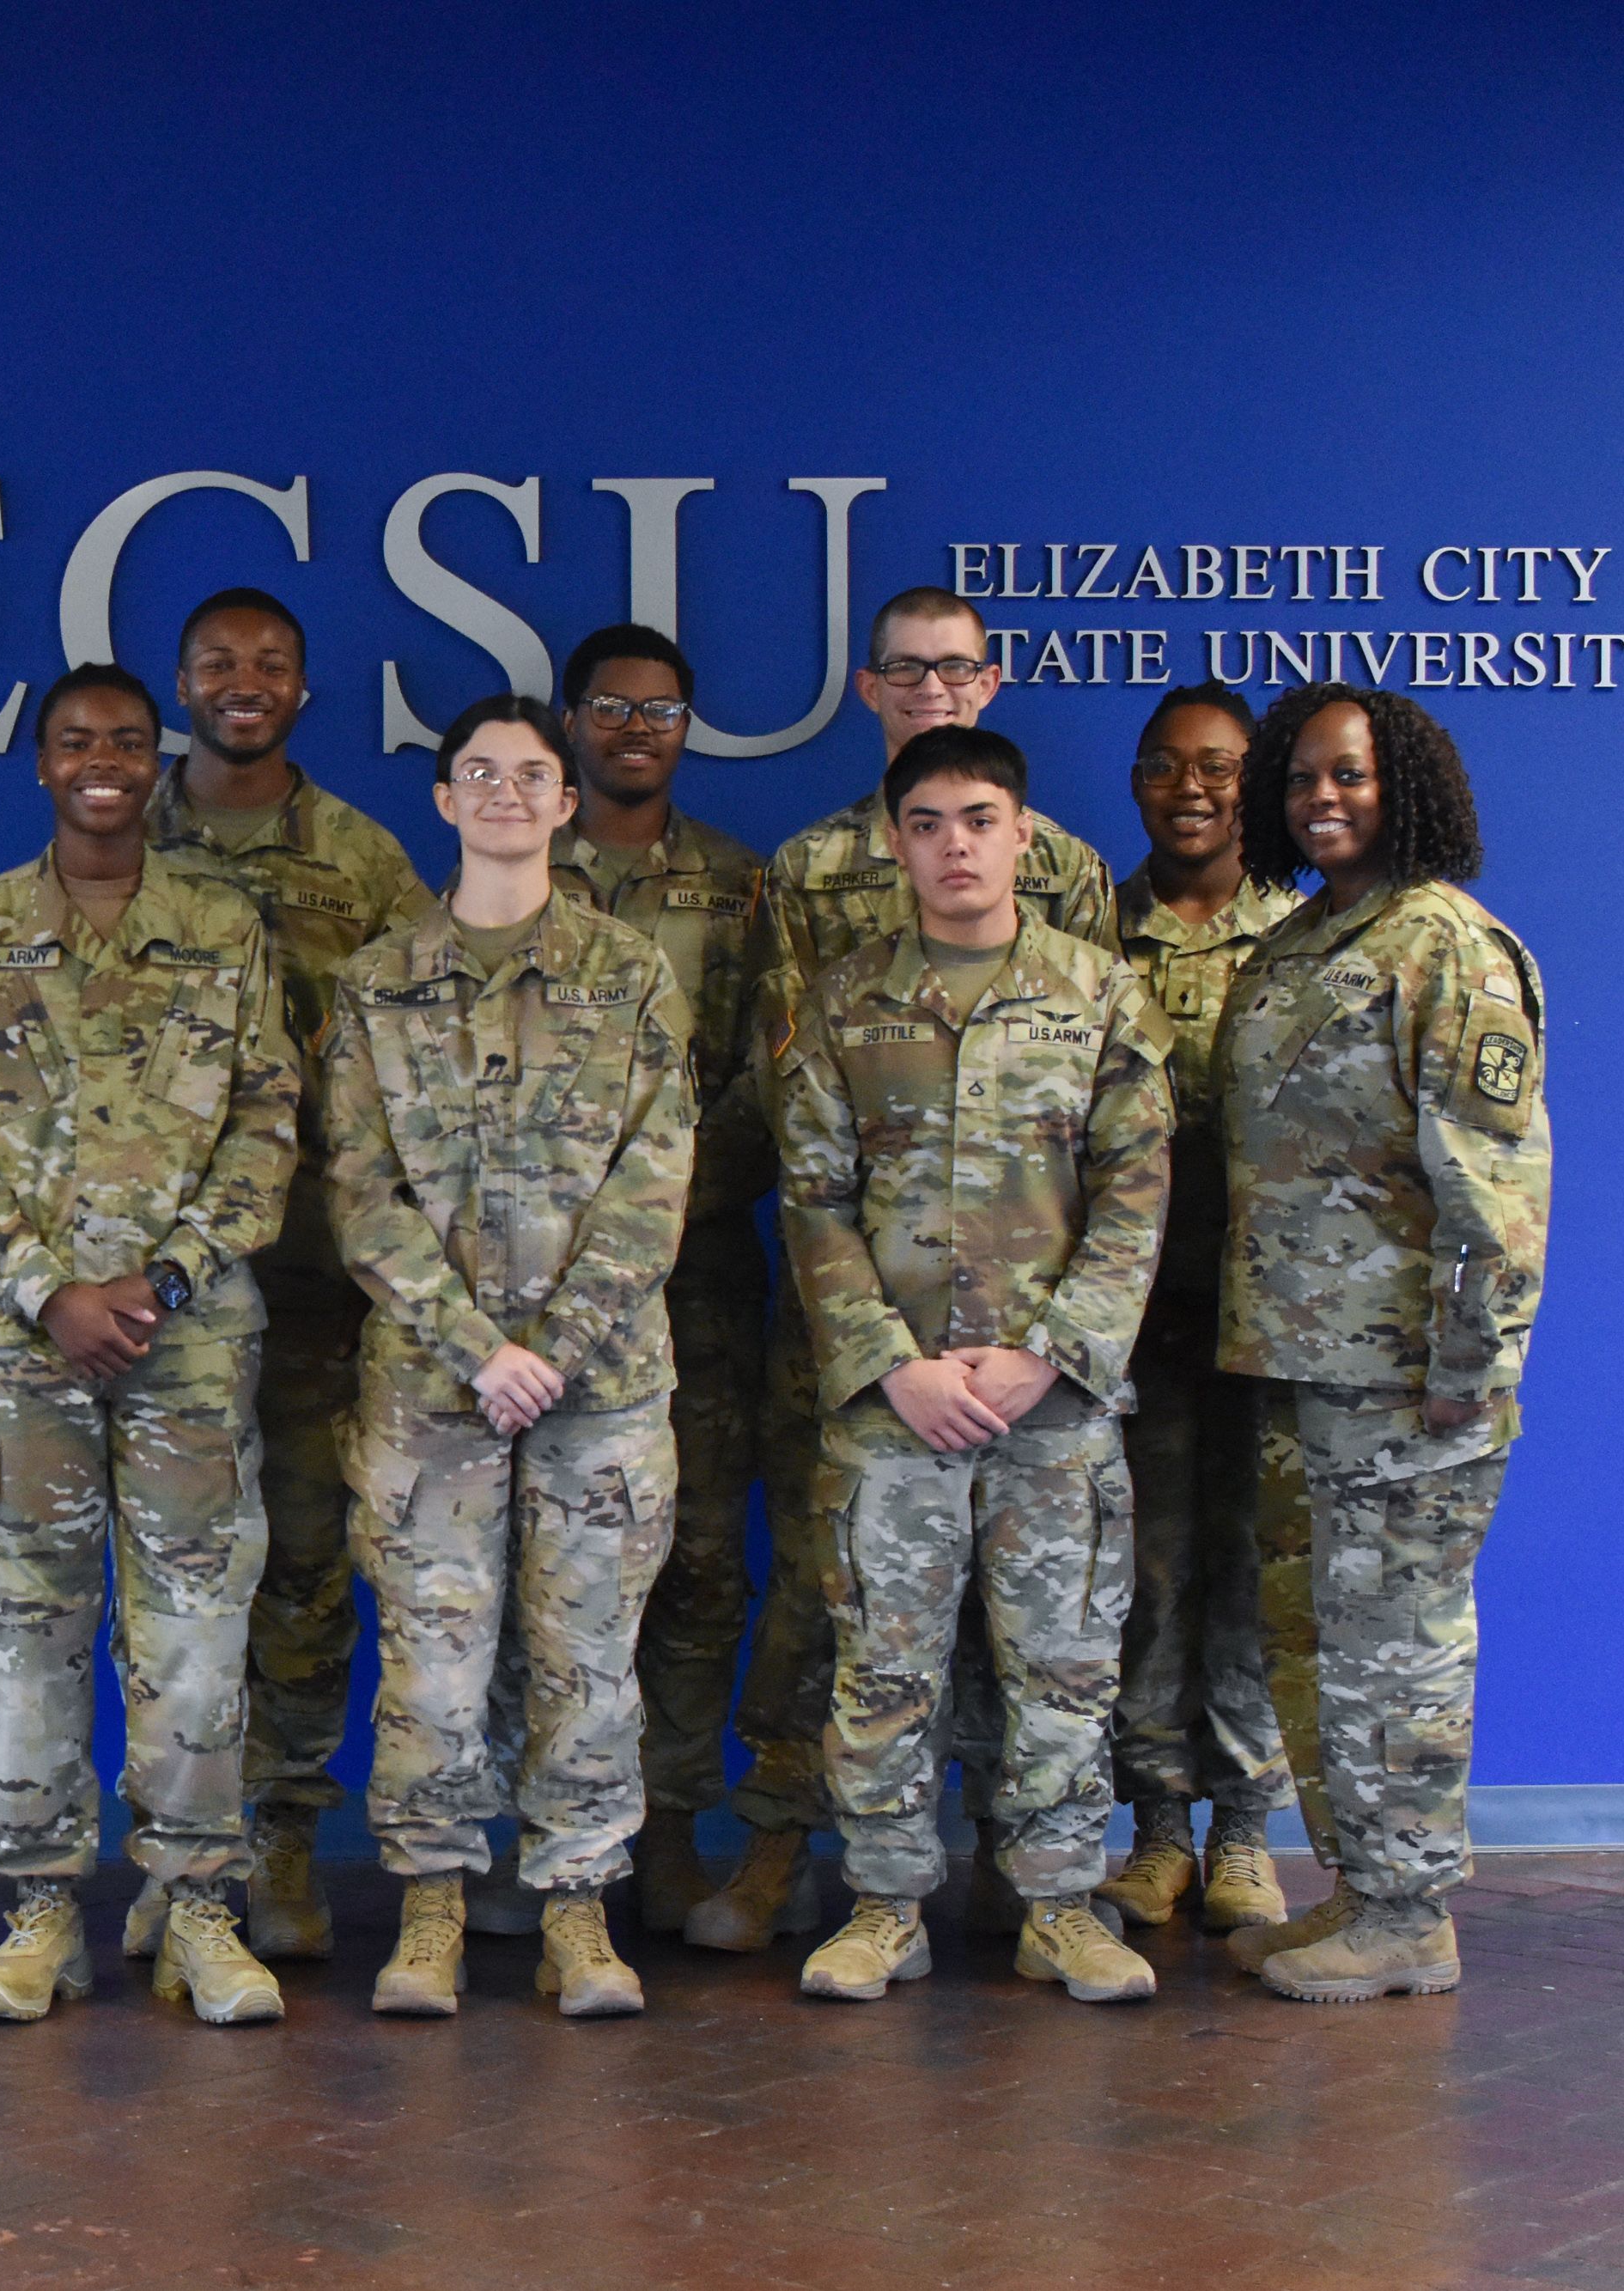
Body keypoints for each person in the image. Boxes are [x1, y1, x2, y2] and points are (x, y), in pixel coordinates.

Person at [704, 586, 1122, 1954]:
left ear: (991, 685)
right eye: (907, 671)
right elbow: (795, 1123)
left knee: (1044, 1633)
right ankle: (804, 1849)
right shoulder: (813, 871)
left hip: (1036, 1339)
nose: (934, 690)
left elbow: (1102, 1134)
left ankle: (1031, 1876)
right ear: (870, 689)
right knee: (850, 1610)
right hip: (868, 1334)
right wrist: (885, 1352)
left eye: (957, 671)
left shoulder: (1069, 886)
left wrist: (1050, 1344)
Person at [0, 662, 301, 2025]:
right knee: (28, 1630)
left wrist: (168, 1279)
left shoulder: (224, 924)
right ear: (41, 764)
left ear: (159, 761)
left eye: (129, 742)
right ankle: (38, 1914)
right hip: (20, 1353)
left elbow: (267, 1122)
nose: (104, 763)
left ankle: (195, 1908)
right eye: (76, 742)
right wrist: (46, 1292)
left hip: (184, 1346)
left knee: (194, 1630)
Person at [777, 727, 1169, 2008]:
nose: (956, 844)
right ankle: (887, 1903)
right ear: (895, 840)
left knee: (1060, 1663)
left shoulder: (1100, 995)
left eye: (981, 818)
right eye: (930, 821)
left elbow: (1135, 1194)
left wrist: (1052, 1355)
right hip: (896, 1411)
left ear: (1026, 836)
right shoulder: (844, 1002)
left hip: (1051, 1411)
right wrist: (889, 1364)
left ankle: (1058, 1902)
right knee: (885, 1666)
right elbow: (814, 1200)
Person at [320, 695, 696, 2018]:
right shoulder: (375, 981)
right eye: (477, 772)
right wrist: (479, 1347)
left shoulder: (631, 973)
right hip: (432, 1391)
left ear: (564, 801)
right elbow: (360, 1194)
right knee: (433, 1661)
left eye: (530, 774)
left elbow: (656, 1184)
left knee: (590, 1657)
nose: (503, 793)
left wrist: (555, 1344)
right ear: (441, 798)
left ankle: (579, 1910)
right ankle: (430, 1902)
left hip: (599, 1389)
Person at [1215, 685, 1548, 2004]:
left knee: (1402, 1639)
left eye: (1348, 774)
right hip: (1305, 1367)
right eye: (1300, 779)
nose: (1322, 799)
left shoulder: (1448, 948)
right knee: (1329, 1640)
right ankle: (1362, 1887)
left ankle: (1413, 1912)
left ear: (1405, 781)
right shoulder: (1303, 940)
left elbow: (1498, 1197)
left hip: (1412, 1381)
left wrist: (1470, 1373)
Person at [145, 588, 435, 1963]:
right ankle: (177, 1843)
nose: (243, 683)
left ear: (305, 691)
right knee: (175, 1579)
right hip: (159, 1295)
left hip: (320, 1279)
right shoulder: (119, 834)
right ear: (180, 684)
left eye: (271, 663)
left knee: (308, 1570)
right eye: (218, 664)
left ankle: (284, 1846)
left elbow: (424, 1055)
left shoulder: (366, 860)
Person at [539, 625, 772, 1938]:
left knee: (692, 1564)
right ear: (572, 722)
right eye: (614, 707)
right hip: (539, 1290)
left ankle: (672, 1825)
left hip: (697, 1276)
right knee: (555, 1563)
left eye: (664, 707)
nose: (638, 728)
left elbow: (767, 1074)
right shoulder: (516, 874)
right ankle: (554, 1835)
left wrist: (661, 1207)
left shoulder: (739, 885)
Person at [1091, 685, 1300, 1935]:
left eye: (1218, 766)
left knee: (1258, 1568)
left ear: (1255, 780)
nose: (1191, 788)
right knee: (1151, 1570)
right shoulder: (1090, 935)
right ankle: (1159, 1826)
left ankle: (1244, 1834)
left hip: (1283, 1320)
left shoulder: (1307, 932)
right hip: (1139, 1320)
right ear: (1135, 783)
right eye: (1164, 766)